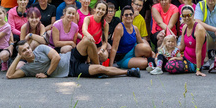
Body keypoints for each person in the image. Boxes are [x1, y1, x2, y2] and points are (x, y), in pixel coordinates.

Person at [7, 37, 141, 79]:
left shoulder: (40, 49)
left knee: (88, 41)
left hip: (70, 56)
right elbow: (10, 76)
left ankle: (97, 69)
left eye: (28, 48)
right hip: (73, 69)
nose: (28, 51)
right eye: (24, 51)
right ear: (21, 54)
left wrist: (47, 74)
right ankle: (128, 72)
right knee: (101, 68)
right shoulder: (27, 69)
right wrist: (18, 58)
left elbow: (56, 58)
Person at [163, 5, 207, 76]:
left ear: (193, 15)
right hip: (184, 58)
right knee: (162, 58)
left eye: (189, 15)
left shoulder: (199, 29)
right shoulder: (184, 27)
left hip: (194, 63)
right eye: (184, 15)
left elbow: (198, 51)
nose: (187, 18)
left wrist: (198, 70)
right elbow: (182, 46)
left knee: (169, 66)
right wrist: (169, 51)